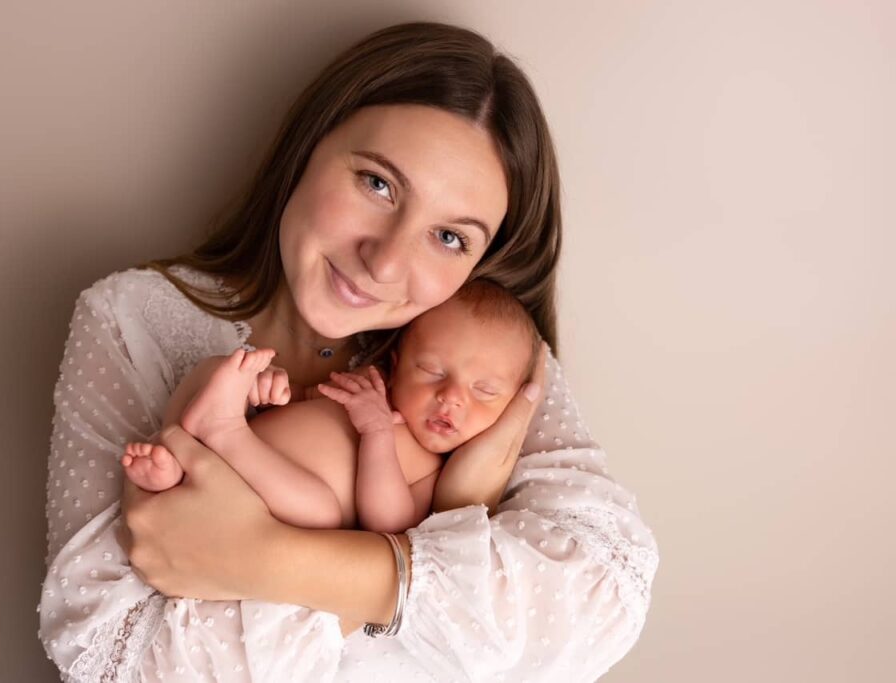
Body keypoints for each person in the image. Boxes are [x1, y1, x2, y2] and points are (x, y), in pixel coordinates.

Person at [38, 21, 659, 683]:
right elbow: (106, 654)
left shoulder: (477, 353)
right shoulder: (136, 319)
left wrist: (263, 556)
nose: (387, 261)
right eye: (379, 185)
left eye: (449, 237)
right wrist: (419, 583)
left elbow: (602, 597)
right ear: (311, 144)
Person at [118, 279, 542, 536]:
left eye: (484, 391)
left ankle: (219, 436)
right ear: (396, 366)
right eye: (431, 370)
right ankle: (177, 463)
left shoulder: (432, 468)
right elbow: (304, 398)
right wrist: (268, 389)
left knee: (322, 511)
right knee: (217, 369)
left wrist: (377, 434)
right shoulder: (368, 388)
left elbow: (388, 524)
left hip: (260, 511)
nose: (452, 396)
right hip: (226, 461)